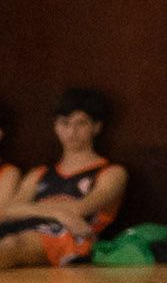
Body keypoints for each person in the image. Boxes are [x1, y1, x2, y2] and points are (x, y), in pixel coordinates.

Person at [2, 89, 129, 268]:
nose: (71, 131)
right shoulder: (38, 173)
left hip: (70, 238)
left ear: (96, 126)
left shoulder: (111, 172)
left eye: (81, 124)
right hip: (22, 230)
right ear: (55, 126)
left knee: (12, 245)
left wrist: (34, 209)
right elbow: (10, 209)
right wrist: (59, 213)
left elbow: (81, 208)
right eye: (65, 123)